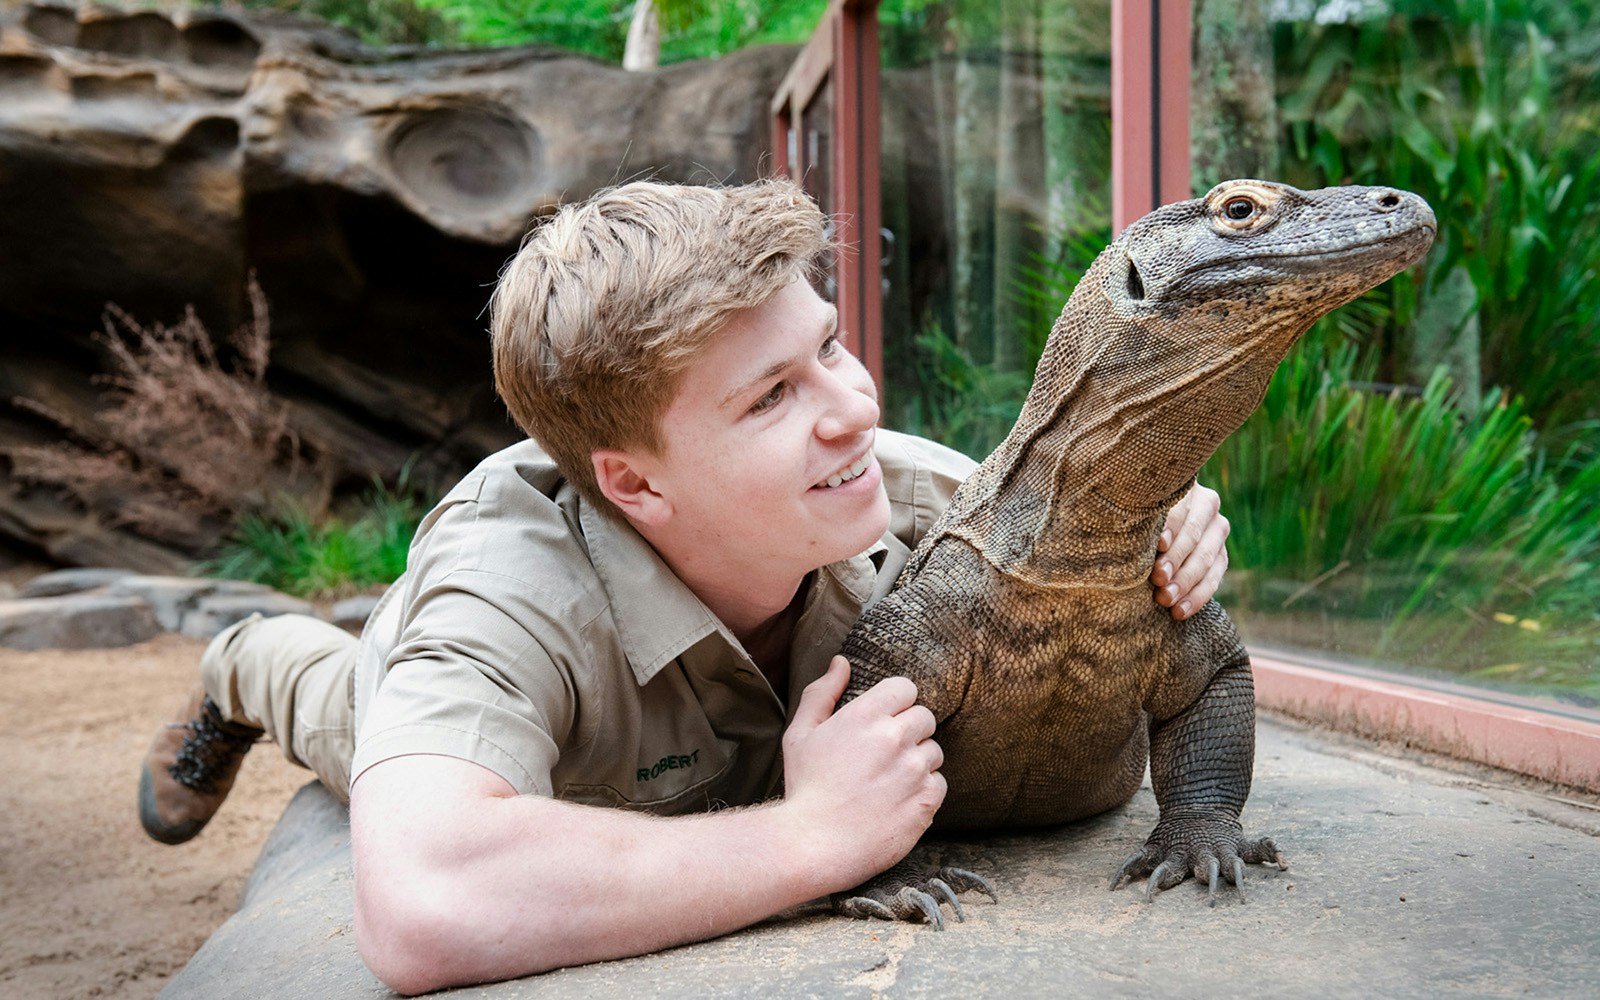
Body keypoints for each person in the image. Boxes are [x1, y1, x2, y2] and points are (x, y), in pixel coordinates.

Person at [137, 179, 1231, 994]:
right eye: (768, 399)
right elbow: (425, 901)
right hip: (530, 720)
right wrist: (807, 840)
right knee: (331, 698)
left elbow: (1062, 497)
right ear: (632, 482)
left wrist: (1163, 521)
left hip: (710, 758)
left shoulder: (893, 490)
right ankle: (239, 663)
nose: (850, 406)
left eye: (831, 346)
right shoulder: (501, 591)